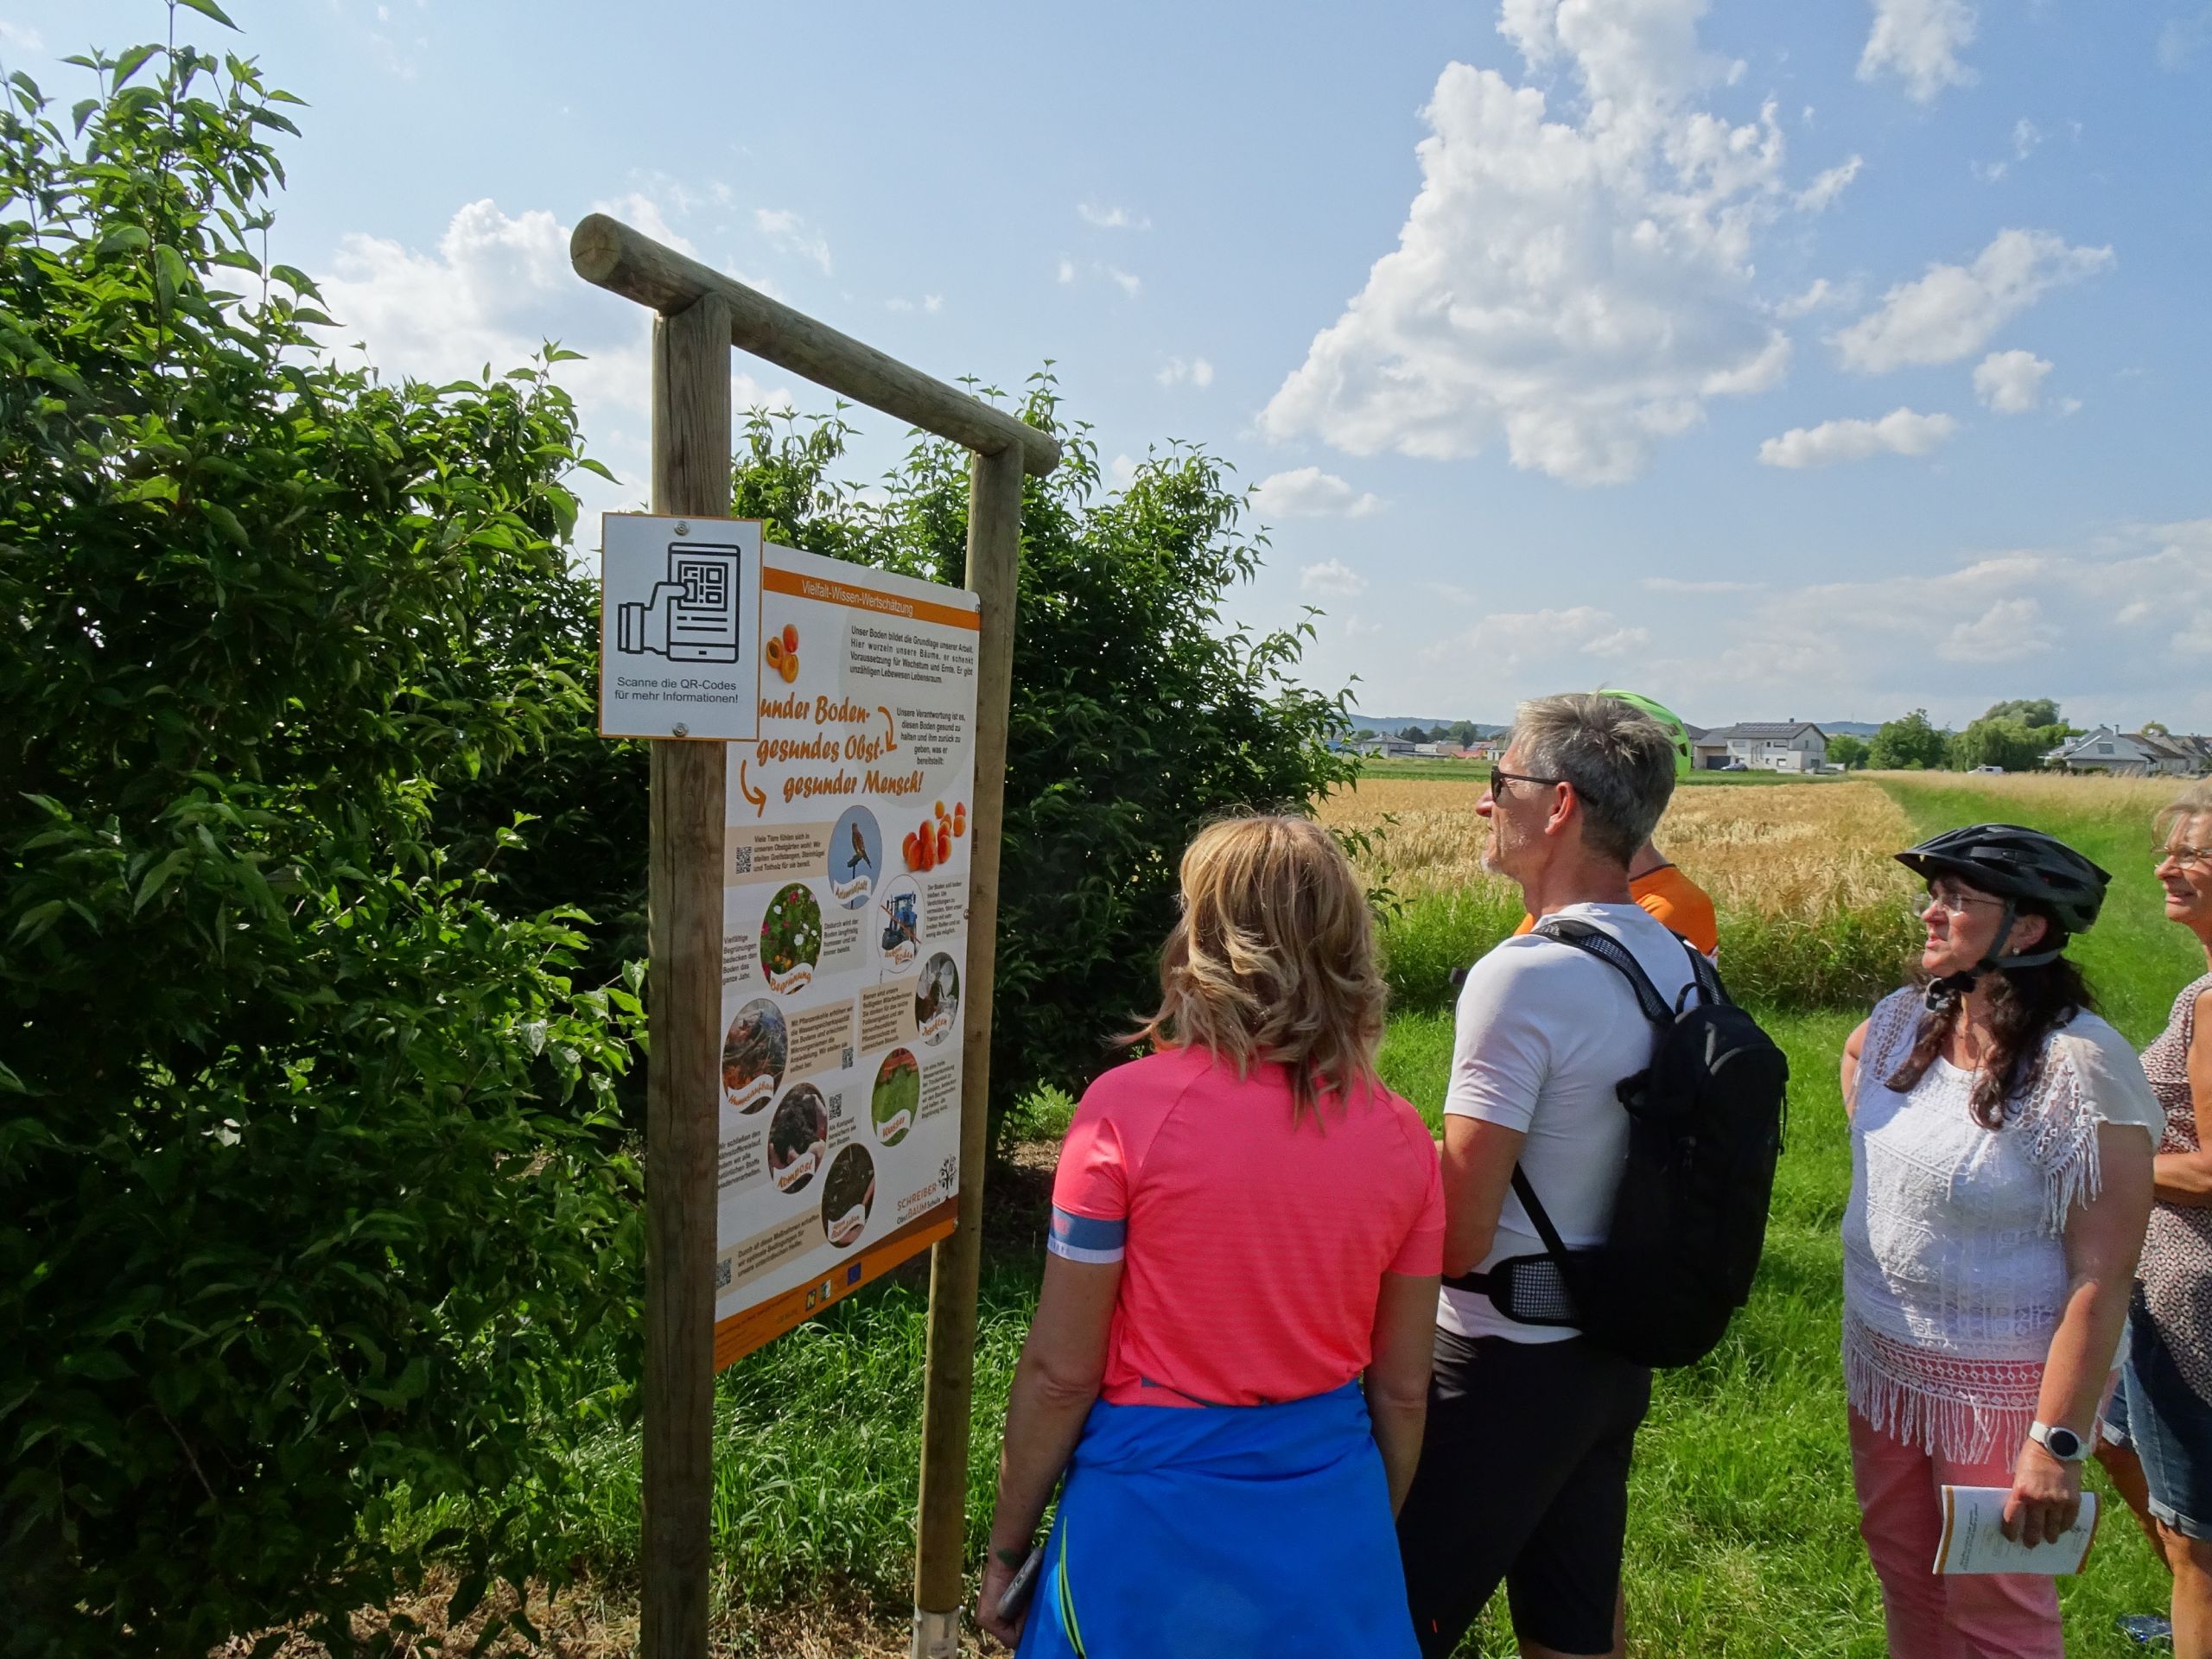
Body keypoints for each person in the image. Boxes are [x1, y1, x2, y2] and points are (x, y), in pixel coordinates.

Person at [976, 815, 1444, 1657]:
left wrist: (1008, 1550)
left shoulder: (1123, 1113)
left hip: (1145, 1511)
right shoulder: (1404, 1137)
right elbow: (1404, 1391)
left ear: (1202, 941)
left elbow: (1059, 1372)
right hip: (1328, 1511)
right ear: (1345, 945)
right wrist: (1363, 1529)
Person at [1396, 692, 1690, 1659]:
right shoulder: (1677, 958)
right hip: (1610, 1355)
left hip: (1500, 1360)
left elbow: (1458, 1234)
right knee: (1570, 1636)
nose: (1484, 803)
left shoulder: (1521, 976)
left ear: (1557, 805)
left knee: (1380, 1624)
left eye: (1498, 783)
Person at [1840, 823, 2159, 1659]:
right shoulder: (1904, 1019)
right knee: (1905, 1572)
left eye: (1957, 901)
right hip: (1888, 1369)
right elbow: (1863, 1086)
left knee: (1997, 1613)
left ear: (2026, 929)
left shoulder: (2081, 1066)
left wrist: (2056, 1441)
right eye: (1934, 895)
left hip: (2004, 1390)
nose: (1930, 913)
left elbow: (2104, 1274)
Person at [2097, 782, 2212, 1657]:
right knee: (2110, 1435)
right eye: (2167, 848)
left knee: (2196, 1540)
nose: (2166, 866)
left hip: (2188, 1295)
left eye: (2194, 853)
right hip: (2165, 1277)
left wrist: (2088, 1160)